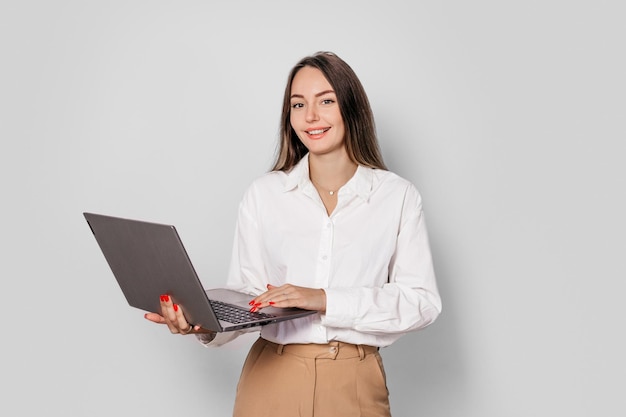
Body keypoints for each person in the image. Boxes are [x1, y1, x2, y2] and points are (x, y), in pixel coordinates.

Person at [145, 51, 442, 417]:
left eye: (326, 101)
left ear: (351, 108)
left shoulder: (396, 197)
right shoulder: (264, 194)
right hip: (271, 378)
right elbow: (249, 298)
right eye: (298, 104)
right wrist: (201, 322)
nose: (311, 116)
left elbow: (421, 303)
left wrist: (324, 299)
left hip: (354, 382)